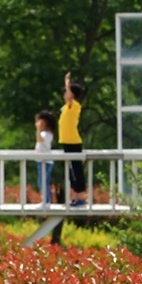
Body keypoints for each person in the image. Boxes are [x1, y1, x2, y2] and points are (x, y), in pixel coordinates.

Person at [58, 73, 86, 207]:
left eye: (67, 93)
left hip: (73, 142)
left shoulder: (74, 105)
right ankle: (75, 198)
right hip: (67, 143)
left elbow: (69, 96)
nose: (64, 96)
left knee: (76, 172)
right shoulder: (66, 108)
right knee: (71, 173)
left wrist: (67, 82)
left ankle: (81, 198)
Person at [33, 109, 56, 202]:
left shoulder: (47, 134)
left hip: (45, 162)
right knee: (41, 182)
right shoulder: (46, 134)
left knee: (43, 182)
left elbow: (39, 139)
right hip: (41, 161)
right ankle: (45, 201)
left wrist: (38, 129)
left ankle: (46, 201)